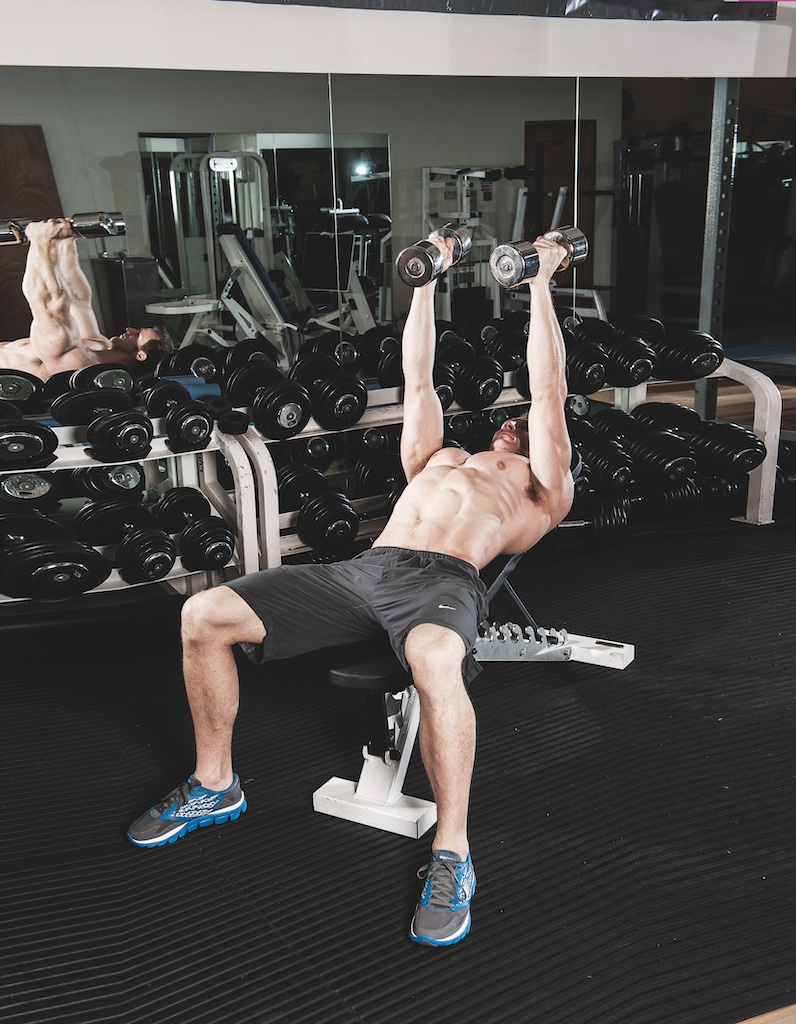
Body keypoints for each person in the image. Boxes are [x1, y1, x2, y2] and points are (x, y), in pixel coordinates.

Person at [127, 233, 575, 948]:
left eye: (529, 426)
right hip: (368, 567)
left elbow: (549, 389)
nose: (517, 422)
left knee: (433, 660)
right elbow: (419, 379)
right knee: (203, 612)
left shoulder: (541, 488)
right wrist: (425, 284)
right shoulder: (443, 456)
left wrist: (542, 284)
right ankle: (216, 784)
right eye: (511, 421)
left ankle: (452, 853)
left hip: (445, 583)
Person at [0, 218, 173, 380]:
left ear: (140, 355)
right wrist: (68, 241)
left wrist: (41, 242)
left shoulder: (81, 364)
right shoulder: (100, 346)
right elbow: (79, 301)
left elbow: (48, 304)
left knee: (57, 321)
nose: (130, 329)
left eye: (137, 335)